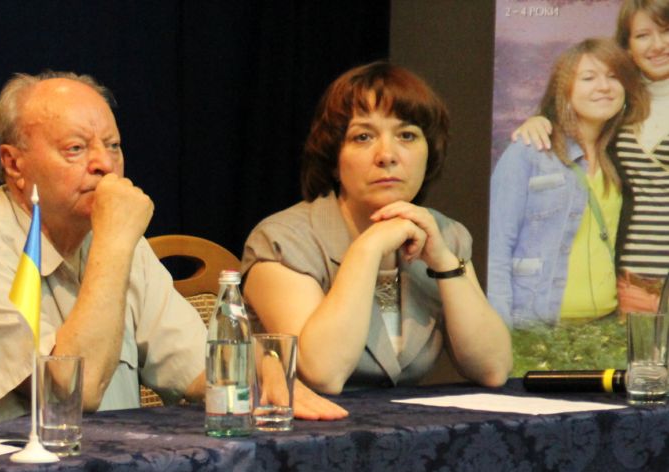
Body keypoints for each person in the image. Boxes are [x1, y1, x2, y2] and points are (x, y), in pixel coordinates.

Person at [0, 72, 346, 427]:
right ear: (14, 163)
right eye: (75, 149)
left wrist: (258, 377)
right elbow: (70, 395)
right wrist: (115, 242)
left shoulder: (118, 239)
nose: (105, 164)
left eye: (113, 146)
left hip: (112, 471)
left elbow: (199, 368)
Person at [243, 62, 512, 394]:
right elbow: (323, 373)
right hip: (300, 422)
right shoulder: (283, 240)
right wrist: (368, 249)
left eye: (407, 135)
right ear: (334, 160)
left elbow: (493, 370)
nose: (387, 155)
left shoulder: (445, 235)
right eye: (363, 137)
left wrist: (444, 263)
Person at [513, 1, 669, 314]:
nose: (657, 45)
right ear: (627, 46)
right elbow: (572, 128)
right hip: (628, 288)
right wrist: (541, 121)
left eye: (666, 31)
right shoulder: (614, 102)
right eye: (643, 35)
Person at [491, 40, 646, 328]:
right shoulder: (529, 151)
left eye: (613, 77)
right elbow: (495, 250)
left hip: (604, 325)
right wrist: (499, 330)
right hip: (538, 327)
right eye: (588, 78)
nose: (604, 87)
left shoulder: (619, 156)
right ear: (564, 90)